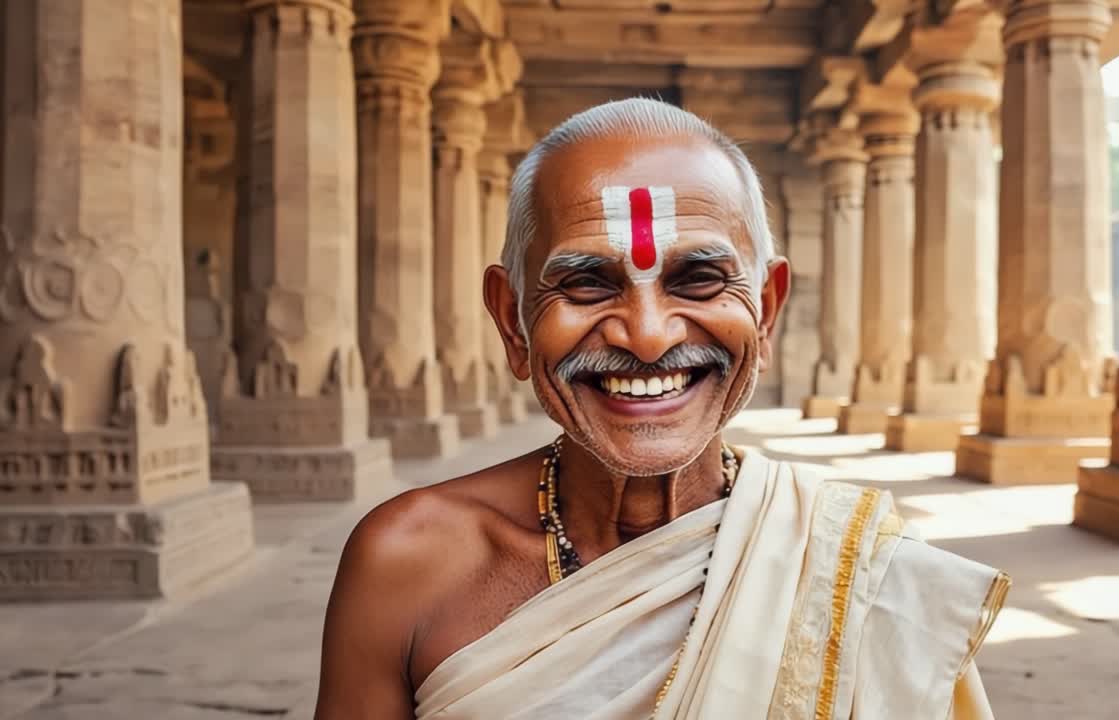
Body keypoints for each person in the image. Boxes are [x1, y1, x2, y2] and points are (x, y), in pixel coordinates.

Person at [314, 98, 1008, 719]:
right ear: (512, 322)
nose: (648, 336)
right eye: (586, 284)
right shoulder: (407, 563)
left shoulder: (864, 572)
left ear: (765, 315)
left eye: (699, 279)